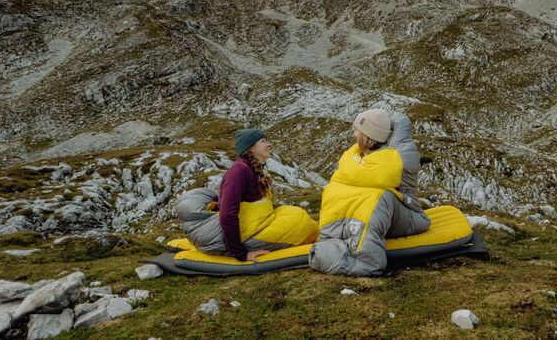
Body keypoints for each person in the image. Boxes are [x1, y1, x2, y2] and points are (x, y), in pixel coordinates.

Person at [309, 109, 431, 276]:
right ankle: (337, 239)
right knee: (335, 189)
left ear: (369, 137)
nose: (354, 134)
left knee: (378, 197)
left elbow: (379, 175)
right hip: (386, 218)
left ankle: (367, 261)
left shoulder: (400, 157)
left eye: (358, 130)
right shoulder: (360, 155)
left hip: (410, 215)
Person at [176, 128, 318, 261]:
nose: (269, 145)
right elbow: (227, 214)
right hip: (245, 232)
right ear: (251, 147)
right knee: (303, 225)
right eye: (263, 141)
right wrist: (241, 253)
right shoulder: (239, 170)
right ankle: (235, 248)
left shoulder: (253, 168)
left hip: (256, 224)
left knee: (295, 213)